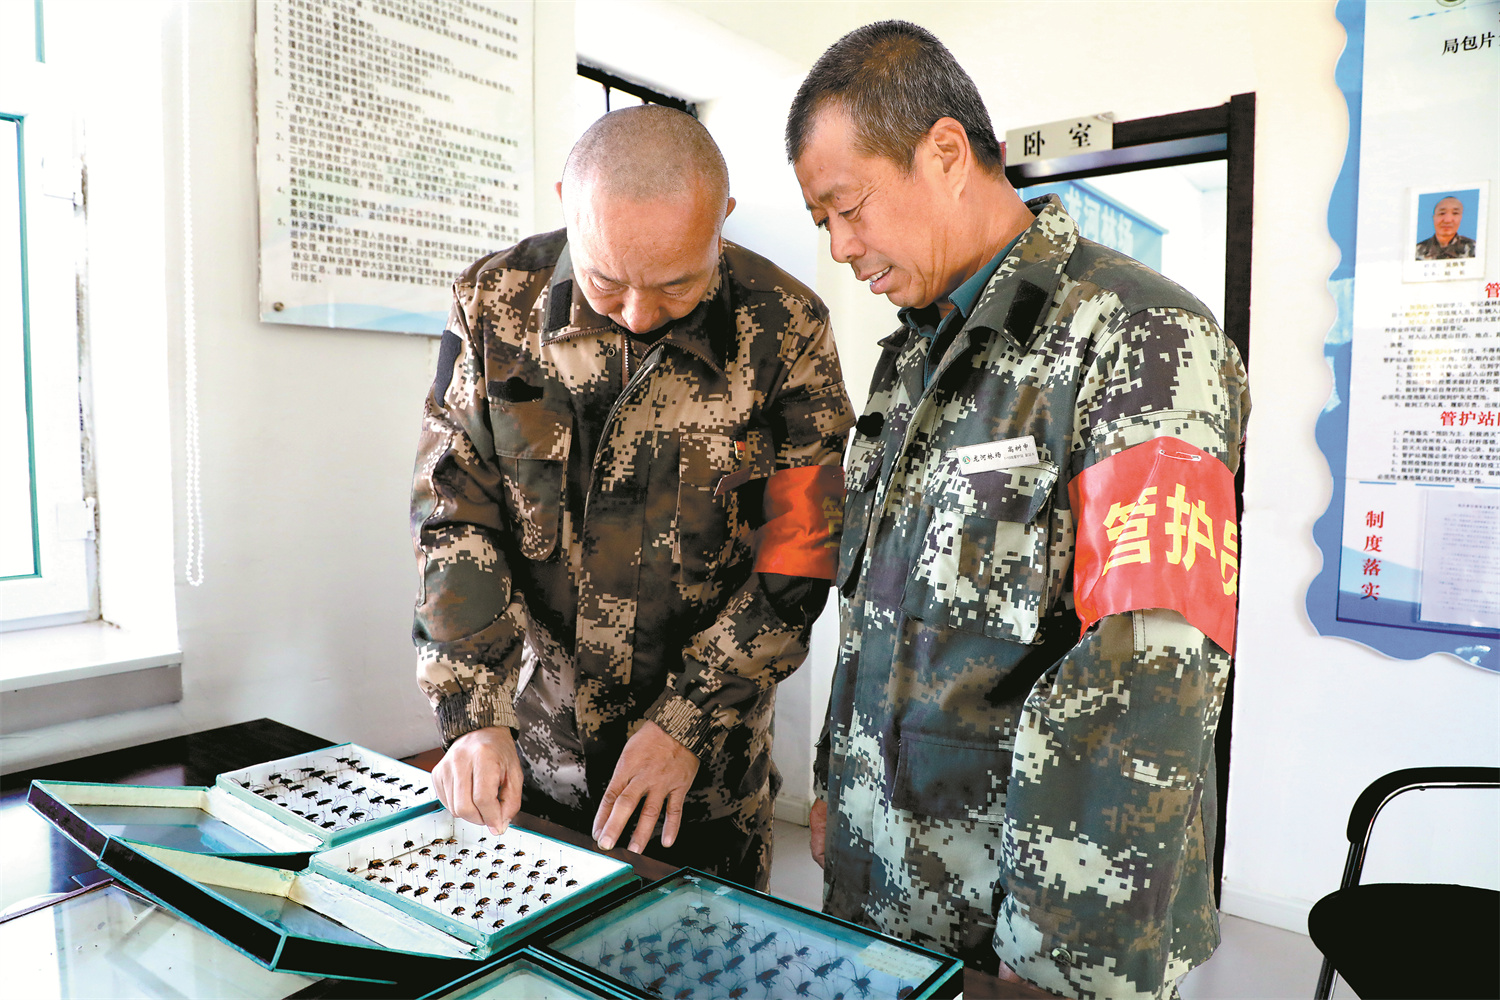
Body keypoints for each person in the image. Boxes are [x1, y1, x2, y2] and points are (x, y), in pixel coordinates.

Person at [786, 21, 1249, 1000]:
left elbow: (1147, 669)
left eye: (849, 208)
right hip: (885, 889)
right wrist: (838, 787)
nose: (840, 246)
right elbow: (878, 614)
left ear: (946, 153)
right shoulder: (912, 356)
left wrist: (1054, 958)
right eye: (821, 219)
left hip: (1025, 931)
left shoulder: (1141, 338)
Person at [412, 105, 854, 891]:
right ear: (566, 203)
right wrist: (474, 713)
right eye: (606, 282)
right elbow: (456, 517)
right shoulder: (494, 304)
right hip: (535, 767)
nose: (640, 314)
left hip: (706, 780)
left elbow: (800, 556)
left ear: (722, 218)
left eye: (678, 284)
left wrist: (688, 718)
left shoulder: (785, 328)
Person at [1414, 195, 1476, 260]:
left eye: (1455, 213)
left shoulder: (1474, 249)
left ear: (1461, 218)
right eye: (1442, 213)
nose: (1447, 220)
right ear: (1434, 218)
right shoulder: (1416, 251)